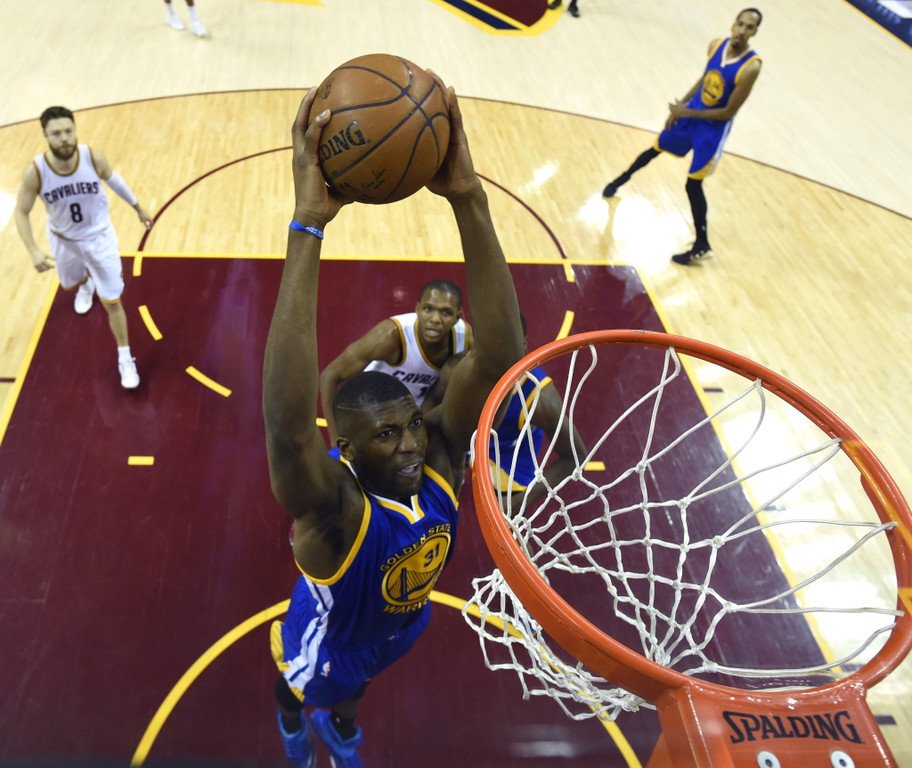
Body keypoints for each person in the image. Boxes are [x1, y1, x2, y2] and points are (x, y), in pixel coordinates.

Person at [263, 78, 524, 767]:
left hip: (404, 620)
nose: (410, 442)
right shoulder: (335, 511)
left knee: (358, 693)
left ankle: (342, 730)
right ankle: (293, 726)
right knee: (302, 688)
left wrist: (468, 196)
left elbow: (501, 357)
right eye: (387, 435)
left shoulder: (435, 454)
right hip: (332, 639)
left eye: (410, 423)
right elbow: (288, 429)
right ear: (346, 449)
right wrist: (308, 226)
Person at [602, 8, 763, 265]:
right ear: (733, 25)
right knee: (655, 148)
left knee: (693, 184)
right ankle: (620, 180)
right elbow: (705, 79)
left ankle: (702, 244)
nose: (742, 31)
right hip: (692, 113)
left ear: (755, 32)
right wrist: (681, 106)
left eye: (749, 27)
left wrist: (685, 111)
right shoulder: (716, 45)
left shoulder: (751, 67)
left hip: (712, 129)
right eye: (740, 24)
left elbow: (728, 112)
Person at [15, 106, 153, 390]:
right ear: (45, 135)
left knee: (112, 300)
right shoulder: (36, 172)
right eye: (56, 133)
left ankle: (125, 358)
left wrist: (138, 207)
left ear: (75, 130)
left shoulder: (92, 157)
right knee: (70, 281)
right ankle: (85, 283)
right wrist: (33, 250)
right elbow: (21, 212)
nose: (64, 138)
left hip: (99, 238)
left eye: (68, 131)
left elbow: (115, 181)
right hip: (63, 240)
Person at [431, 314, 587, 514]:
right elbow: (438, 406)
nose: (496, 355)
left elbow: (575, 456)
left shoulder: (540, 400)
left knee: (506, 523)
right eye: (487, 346)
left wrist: (519, 501)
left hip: (508, 459)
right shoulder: (458, 370)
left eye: (504, 347)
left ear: (523, 346)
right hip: (473, 439)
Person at [318, 280, 473, 447]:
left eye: (446, 313)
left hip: (417, 406)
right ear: (418, 309)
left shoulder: (464, 339)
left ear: (457, 318)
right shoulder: (389, 336)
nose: (435, 319)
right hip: (375, 406)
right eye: (428, 309)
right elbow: (330, 375)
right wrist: (335, 438)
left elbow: (440, 393)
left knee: (460, 374)